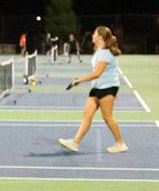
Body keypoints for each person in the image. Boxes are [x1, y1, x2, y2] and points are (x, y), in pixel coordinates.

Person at [56, 26, 130, 154]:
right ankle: (75, 143)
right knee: (87, 114)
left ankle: (120, 144)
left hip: (108, 87)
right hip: (97, 87)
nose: (92, 36)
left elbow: (97, 73)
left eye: (94, 34)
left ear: (100, 37)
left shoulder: (105, 53)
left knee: (107, 118)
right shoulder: (99, 50)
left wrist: (79, 80)